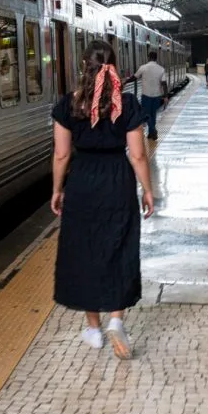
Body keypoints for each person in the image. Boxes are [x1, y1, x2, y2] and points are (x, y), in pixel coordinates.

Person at [51, 40, 154, 360]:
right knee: (119, 247)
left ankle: (93, 329)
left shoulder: (69, 105)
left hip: (82, 182)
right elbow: (137, 155)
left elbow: (61, 154)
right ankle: (116, 320)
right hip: (117, 182)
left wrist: (57, 189)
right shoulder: (126, 104)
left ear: (84, 67)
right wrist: (148, 190)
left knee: (84, 251)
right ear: (115, 67)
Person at [133, 50, 168, 140]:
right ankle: (150, 133)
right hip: (157, 96)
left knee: (147, 115)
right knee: (153, 114)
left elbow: (134, 77)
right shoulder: (161, 69)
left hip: (146, 96)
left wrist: (125, 81)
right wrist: (165, 96)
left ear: (148, 57)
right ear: (156, 58)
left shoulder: (143, 68)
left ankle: (153, 130)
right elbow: (164, 84)